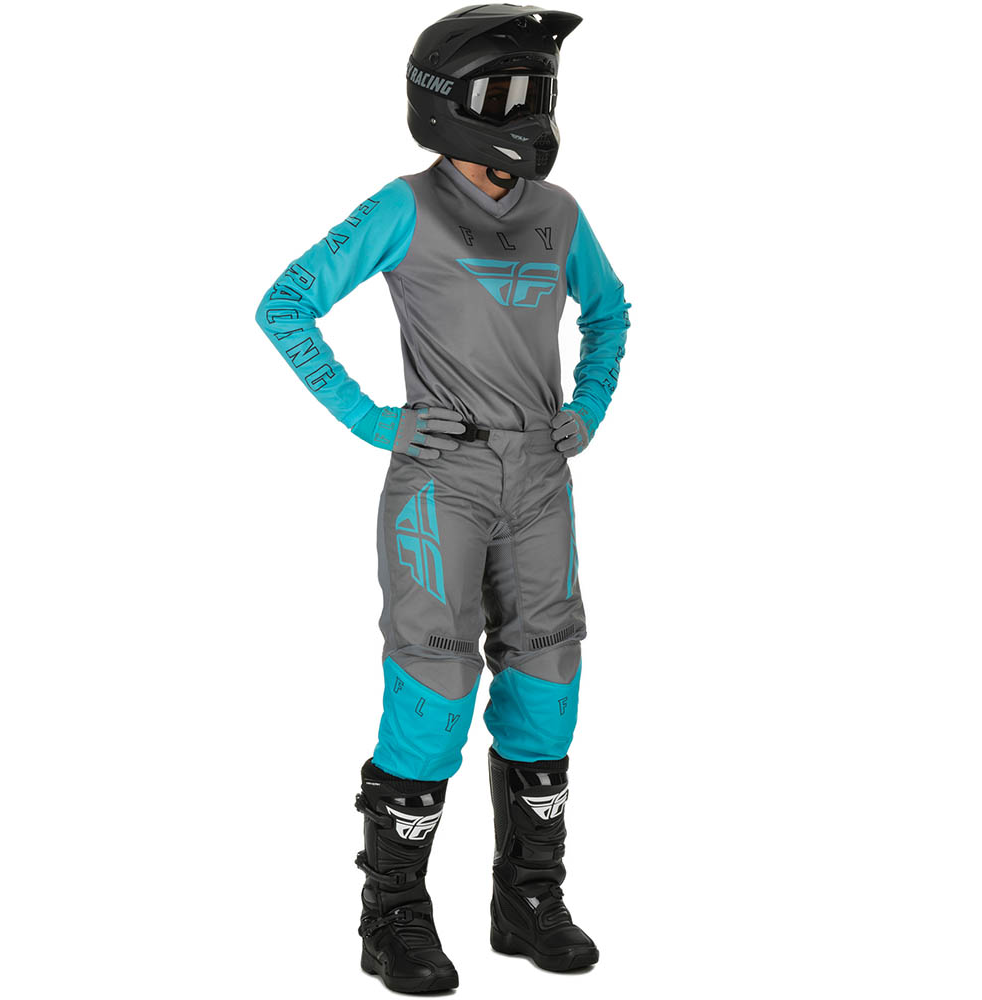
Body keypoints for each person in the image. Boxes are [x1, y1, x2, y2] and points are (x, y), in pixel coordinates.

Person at [255, 4, 630, 992]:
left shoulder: (559, 215)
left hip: (540, 477)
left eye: (540, 90)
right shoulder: (404, 206)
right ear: (447, 103)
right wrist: (370, 420)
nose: (530, 111)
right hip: (442, 479)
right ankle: (393, 919)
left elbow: (609, 310)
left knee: (549, 674)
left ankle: (528, 900)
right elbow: (284, 303)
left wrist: (588, 405)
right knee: (435, 683)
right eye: (508, 92)